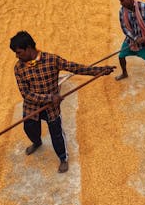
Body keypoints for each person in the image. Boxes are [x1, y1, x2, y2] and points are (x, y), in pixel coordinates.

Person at [10, 31, 115, 173]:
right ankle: (37, 142)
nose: (17, 56)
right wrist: (49, 98)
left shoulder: (52, 60)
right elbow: (26, 94)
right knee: (29, 129)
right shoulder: (18, 68)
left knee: (57, 134)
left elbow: (76, 68)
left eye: (19, 52)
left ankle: (63, 158)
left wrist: (99, 71)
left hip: (51, 109)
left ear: (29, 48)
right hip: (32, 108)